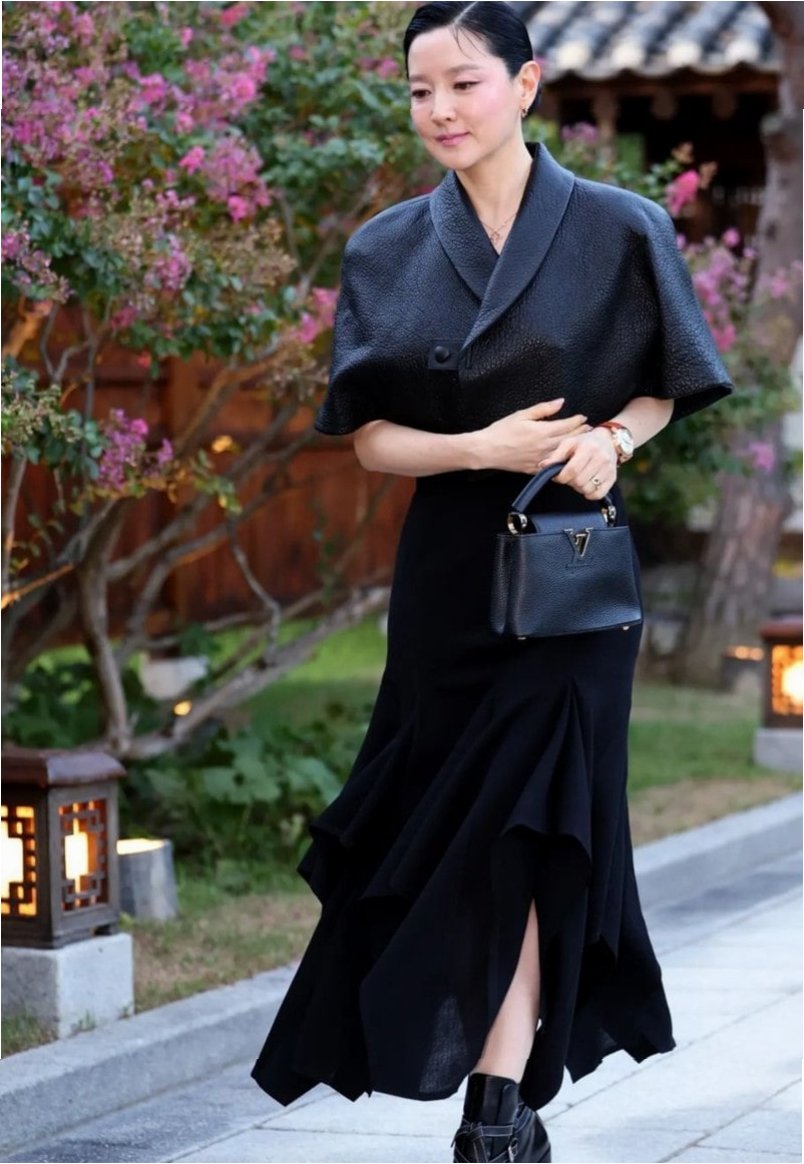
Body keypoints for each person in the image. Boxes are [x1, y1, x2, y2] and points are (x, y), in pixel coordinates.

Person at [251, 4, 733, 1161]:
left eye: (463, 84)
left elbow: (667, 381)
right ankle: (503, 1106)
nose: (439, 110)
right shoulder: (386, 248)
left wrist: (614, 439)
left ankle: (495, 1110)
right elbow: (371, 441)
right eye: (419, 91)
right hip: (451, 581)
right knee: (461, 833)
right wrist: (481, 448)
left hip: (573, 572)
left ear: (526, 83)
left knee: (535, 826)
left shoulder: (619, 226)